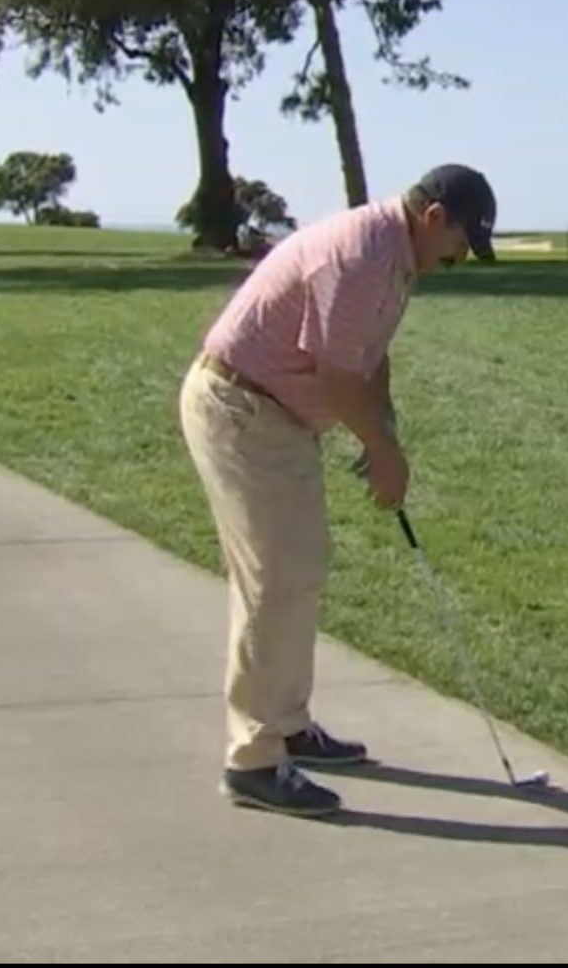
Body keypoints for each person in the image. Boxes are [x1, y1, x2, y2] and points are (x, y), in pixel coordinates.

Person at [177, 163, 498, 817]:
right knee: (277, 578)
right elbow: (333, 373)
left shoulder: (396, 255)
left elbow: (368, 359)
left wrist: (384, 431)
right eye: (458, 248)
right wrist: (383, 456)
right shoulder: (362, 256)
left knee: (302, 566)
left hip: (276, 419)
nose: (454, 262)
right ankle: (255, 760)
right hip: (242, 409)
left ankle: (289, 724)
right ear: (434, 219)